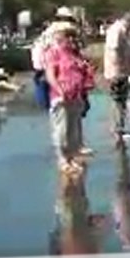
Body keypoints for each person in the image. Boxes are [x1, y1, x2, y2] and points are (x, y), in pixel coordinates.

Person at [42, 19, 94, 175]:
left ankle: (71, 158)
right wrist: (59, 89)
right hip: (61, 96)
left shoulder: (73, 53)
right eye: (67, 36)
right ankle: (62, 160)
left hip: (76, 96)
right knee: (61, 130)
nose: (70, 39)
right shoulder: (53, 52)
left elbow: (82, 71)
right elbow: (50, 75)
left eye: (72, 36)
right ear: (57, 36)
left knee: (74, 131)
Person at [103, 12, 130, 144]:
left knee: (121, 101)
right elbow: (114, 51)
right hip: (117, 72)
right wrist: (116, 73)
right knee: (117, 101)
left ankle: (120, 129)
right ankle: (117, 132)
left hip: (122, 72)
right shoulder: (116, 30)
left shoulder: (122, 31)